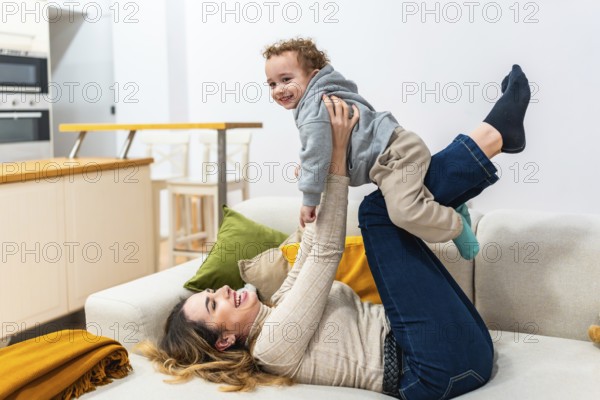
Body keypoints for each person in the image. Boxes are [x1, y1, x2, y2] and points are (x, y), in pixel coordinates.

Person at [140, 65, 531, 399]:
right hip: (436, 367)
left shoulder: (279, 304)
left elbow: (311, 241)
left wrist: (317, 178)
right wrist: (339, 156)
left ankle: (494, 138)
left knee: (389, 201)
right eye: (213, 304)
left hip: (456, 344)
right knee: (377, 212)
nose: (222, 291)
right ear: (225, 340)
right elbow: (327, 254)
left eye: (211, 293)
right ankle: (493, 137)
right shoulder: (272, 346)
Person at [264, 37, 529, 260]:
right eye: (272, 84)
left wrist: (309, 197)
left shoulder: (313, 110)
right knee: (400, 203)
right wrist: (315, 166)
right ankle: (452, 198)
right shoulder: (327, 95)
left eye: (287, 79)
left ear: (312, 76)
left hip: (397, 154)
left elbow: (315, 153)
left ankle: (455, 225)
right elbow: (322, 149)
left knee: (404, 212)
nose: (279, 89)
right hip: (392, 156)